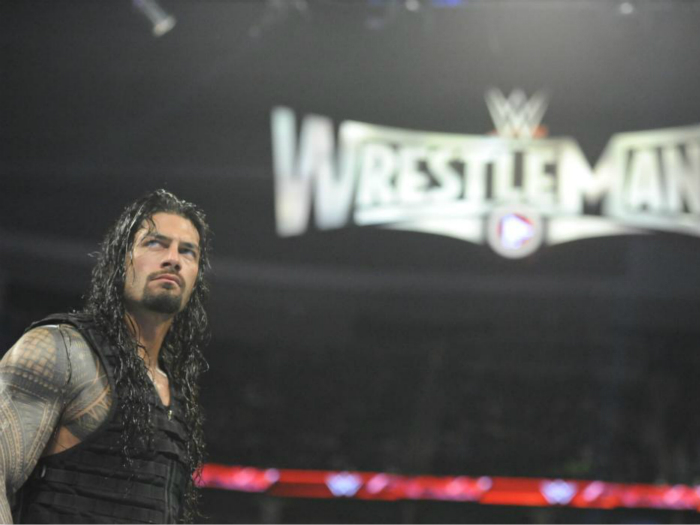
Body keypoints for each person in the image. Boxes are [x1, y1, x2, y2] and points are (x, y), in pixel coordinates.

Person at [0, 189, 212, 524]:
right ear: (120, 260)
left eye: (187, 251)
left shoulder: (175, 392)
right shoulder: (62, 351)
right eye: (155, 243)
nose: (173, 258)